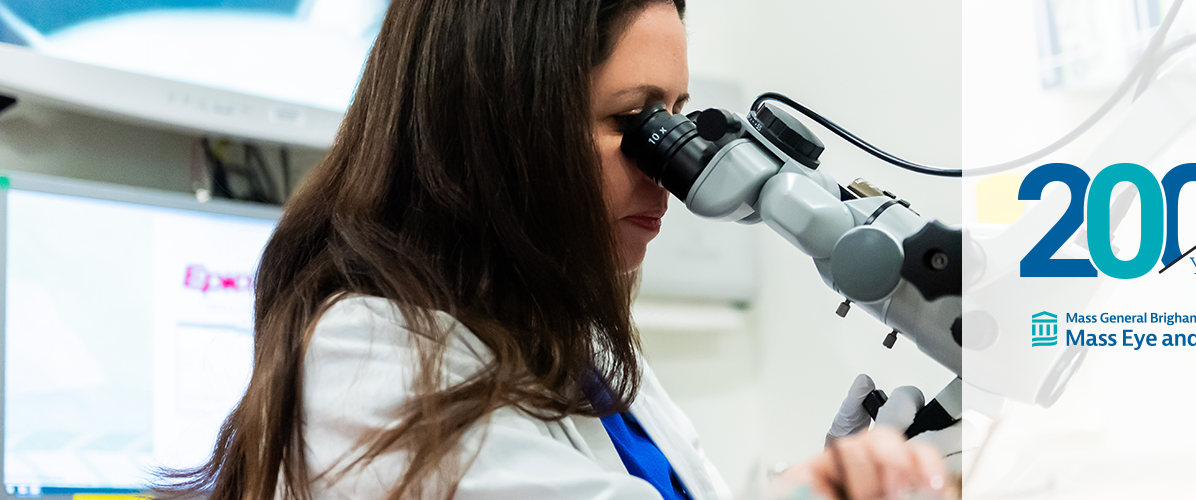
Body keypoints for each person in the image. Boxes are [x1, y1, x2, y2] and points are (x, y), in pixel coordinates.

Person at [157, 1, 948, 499]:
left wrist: (849, 473)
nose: (669, 175)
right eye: (634, 124)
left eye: (675, 118)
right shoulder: (368, 357)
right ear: (502, 127)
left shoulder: (580, 348)